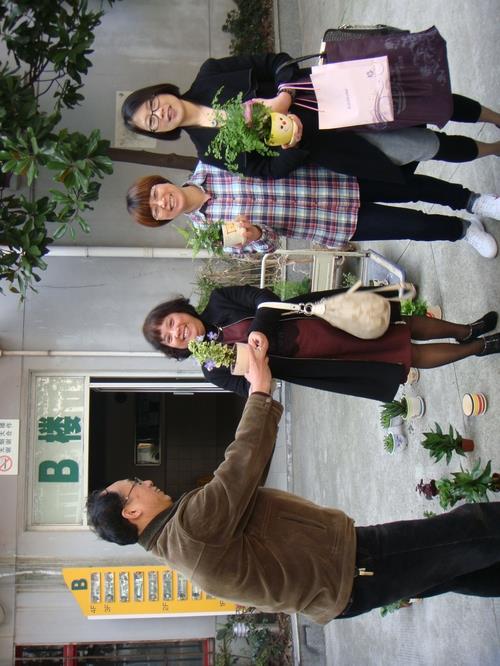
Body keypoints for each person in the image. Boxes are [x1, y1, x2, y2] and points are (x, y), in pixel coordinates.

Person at [87, 344, 500, 623]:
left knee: (456, 571)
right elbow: (240, 467)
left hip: (344, 578)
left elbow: (246, 483)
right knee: (471, 530)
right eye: (136, 483)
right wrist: (259, 391)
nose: (146, 481)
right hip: (350, 570)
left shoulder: (179, 544)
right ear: (132, 510)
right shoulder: (188, 531)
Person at [121, 53, 500, 182]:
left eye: (153, 105)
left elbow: (274, 61)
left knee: (426, 103)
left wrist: (284, 95)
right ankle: (493, 148)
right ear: (159, 133)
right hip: (330, 143)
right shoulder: (209, 151)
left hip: (335, 95)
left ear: (160, 91)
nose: (160, 114)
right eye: (152, 122)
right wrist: (292, 144)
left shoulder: (210, 75)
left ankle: (493, 116)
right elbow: (264, 171)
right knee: (426, 146)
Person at [141, 284, 499, 399]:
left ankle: (466, 329)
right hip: (321, 360)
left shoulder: (219, 301)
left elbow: (264, 298)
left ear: (179, 310)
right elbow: (254, 390)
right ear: (174, 349)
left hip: (321, 317)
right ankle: (478, 348)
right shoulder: (212, 369)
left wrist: (258, 331)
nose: (177, 332)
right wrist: (255, 366)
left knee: (393, 321)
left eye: (171, 322)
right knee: (404, 355)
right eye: (169, 339)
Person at [126, 163, 500, 258]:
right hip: (328, 222)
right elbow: (269, 246)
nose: (162, 202)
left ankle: (472, 201)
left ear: (161, 182)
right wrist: (256, 235)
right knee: (411, 226)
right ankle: (464, 230)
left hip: (331, 176)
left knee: (410, 186)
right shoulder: (211, 235)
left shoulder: (213, 162)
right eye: (156, 211)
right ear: (163, 220)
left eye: (155, 194)